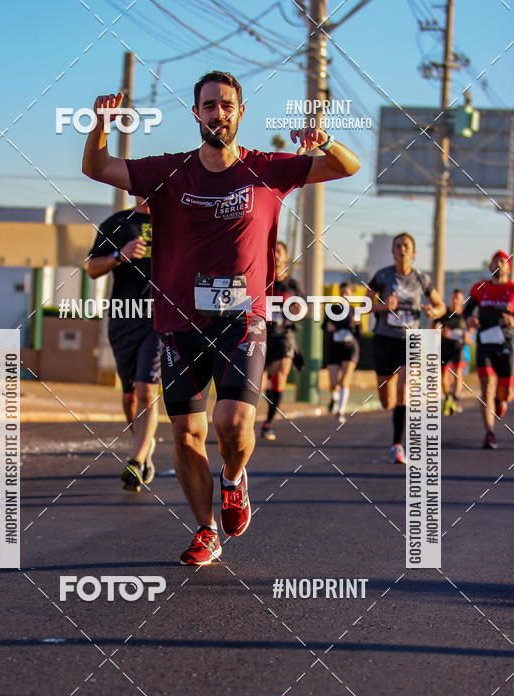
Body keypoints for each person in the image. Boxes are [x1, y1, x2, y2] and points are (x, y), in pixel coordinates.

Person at [82, 70, 360, 563]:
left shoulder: (267, 169)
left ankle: (234, 480)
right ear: (197, 113)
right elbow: (97, 167)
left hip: (242, 319)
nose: (218, 113)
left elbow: (347, 167)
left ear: (240, 112)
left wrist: (325, 140)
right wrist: (100, 123)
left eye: (227, 105)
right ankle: (205, 529)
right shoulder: (169, 170)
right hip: (178, 322)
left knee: (231, 423)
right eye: (209, 105)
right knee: (186, 434)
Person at [87, 196, 160, 491]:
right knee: (130, 396)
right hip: (123, 318)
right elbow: (92, 268)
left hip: (159, 319)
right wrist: (120, 254)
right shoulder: (117, 223)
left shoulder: (174, 222)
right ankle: (143, 442)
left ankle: (137, 460)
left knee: (147, 389)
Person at [366, 233, 445, 463]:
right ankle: (395, 419)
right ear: (393, 251)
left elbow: (440, 305)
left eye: (407, 246)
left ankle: (396, 445)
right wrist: (383, 306)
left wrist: (433, 311)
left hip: (409, 340)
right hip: (384, 339)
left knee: (404, 388)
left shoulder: (422, 279)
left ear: (414, 252)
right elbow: (364, 304)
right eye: (398, 246)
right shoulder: (382, 276)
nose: (402, 250)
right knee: (387, 401)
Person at [467, 251, 514, 449]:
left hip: (506, 345)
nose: (498, 264)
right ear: (490, 267)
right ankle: (489, 434)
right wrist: (470, 319)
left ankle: (500, 401)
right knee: (486, 389)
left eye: (502, 261)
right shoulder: (479, 288)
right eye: (495, 261)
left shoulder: (512, 290)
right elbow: (466, 313)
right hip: (485, 343)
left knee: (506, 394)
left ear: (508, 267)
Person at [260, 240, 303, 440]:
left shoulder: (292, 284)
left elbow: (303, 306)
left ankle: (268, 422)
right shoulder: (260, 278)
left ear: (285, 257)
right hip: (260, 334)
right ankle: (246, 421)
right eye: (272, 251)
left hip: (284, 336)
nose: (276, 255)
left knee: (279, 374)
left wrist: (299, 309)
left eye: (279, 251)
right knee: (255, 384)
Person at [323, 281, 360, 425]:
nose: (344, 295)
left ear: (351, 295)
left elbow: (360, 334)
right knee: (333, 383)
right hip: (334, 348)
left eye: (347, 293)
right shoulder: (333, 309)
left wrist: (356, 326)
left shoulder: (354, 311)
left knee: (344, 381)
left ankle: (341, 411)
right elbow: (323, 326)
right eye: (342, 292)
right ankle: (334, 397)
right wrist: (329, 327)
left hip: (350, 348)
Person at [437, 289, 468, 415]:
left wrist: (468, 336)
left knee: (458, 374)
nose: (455, 300)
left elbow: (470, 332)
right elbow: (433, 325)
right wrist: (439, 332)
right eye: (454, 297)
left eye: (458, 298)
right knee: (444, 376)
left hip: (458, 348)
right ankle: (448, 397)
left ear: (462, 300)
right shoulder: (444, 313)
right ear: (451, 299)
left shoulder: (465, 315)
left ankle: (455, 400)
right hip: (445, 348)